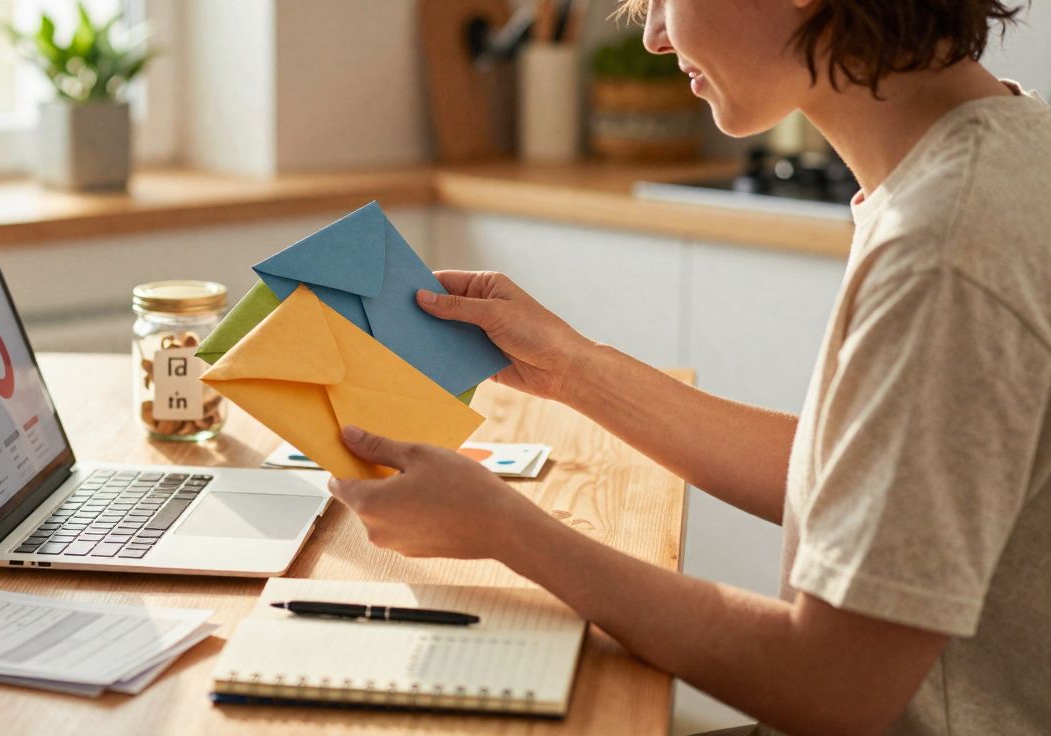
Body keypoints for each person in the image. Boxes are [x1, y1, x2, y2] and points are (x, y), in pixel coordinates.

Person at [326, 0, 1051, 733]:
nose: (655, 35)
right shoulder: (1004, 150)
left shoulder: (944, 249)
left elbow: (835, 687)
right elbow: (876, 494)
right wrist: (572, 369)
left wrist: (506, 530)